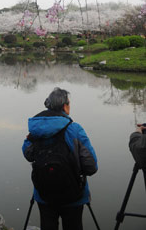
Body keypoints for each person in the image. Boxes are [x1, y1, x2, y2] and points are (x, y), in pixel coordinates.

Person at [22, 87, 98, 230]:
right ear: (64, 106)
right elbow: (91, 166)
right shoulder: (74, 129)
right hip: (73, 194)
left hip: (43, 193)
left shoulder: (36, 129)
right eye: (69, 104)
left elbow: (28, 154)